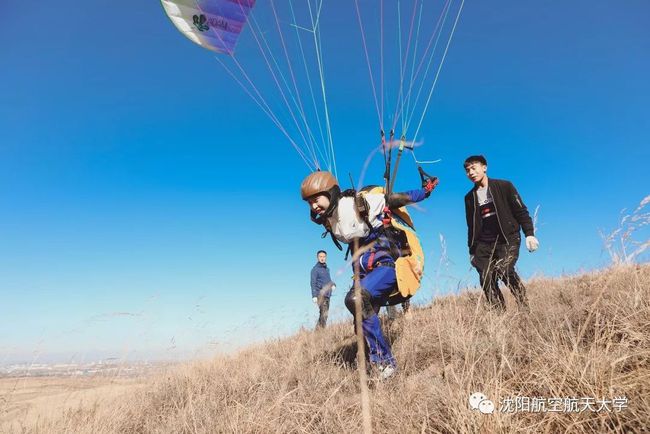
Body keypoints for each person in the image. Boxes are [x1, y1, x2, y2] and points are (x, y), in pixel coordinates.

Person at [300, 171, 436, 379]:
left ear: (329, 192)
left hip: (384, 264)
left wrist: (425, 192)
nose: (313, 206)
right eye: (309, 203)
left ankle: (385, 362)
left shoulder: (357, 204)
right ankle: (366, 362)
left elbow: (396, 198)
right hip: (364, 269)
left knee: (356, 298)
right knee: (360, 317)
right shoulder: (330, 220)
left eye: (316, 199)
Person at [463, 155, 539, 311]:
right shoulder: (469, 198)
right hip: (484, 244)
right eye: (467, 170)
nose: (471, 172)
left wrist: (529, 234)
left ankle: (524, 308)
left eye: (473, 168)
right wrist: (472, 251)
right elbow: (471, 226)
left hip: (507, 238)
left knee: (504, 270)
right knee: (486, 278)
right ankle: (499, 316)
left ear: (484, 167)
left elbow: (521, 211)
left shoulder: (504, 186)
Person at [310, 250, 335, 329]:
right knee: (324, 314)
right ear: (317, 257)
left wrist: (333, 284)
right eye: (320, 256)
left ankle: (318, 332)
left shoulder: (327, 269)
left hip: (327, 294)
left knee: (324, 315)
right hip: (320, 295)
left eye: (324, 257)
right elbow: (313, 283)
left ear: (326, 257)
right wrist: (314, 296)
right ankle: (320, 333)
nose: (322, 258)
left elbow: (328, 280)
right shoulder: (315, 269)